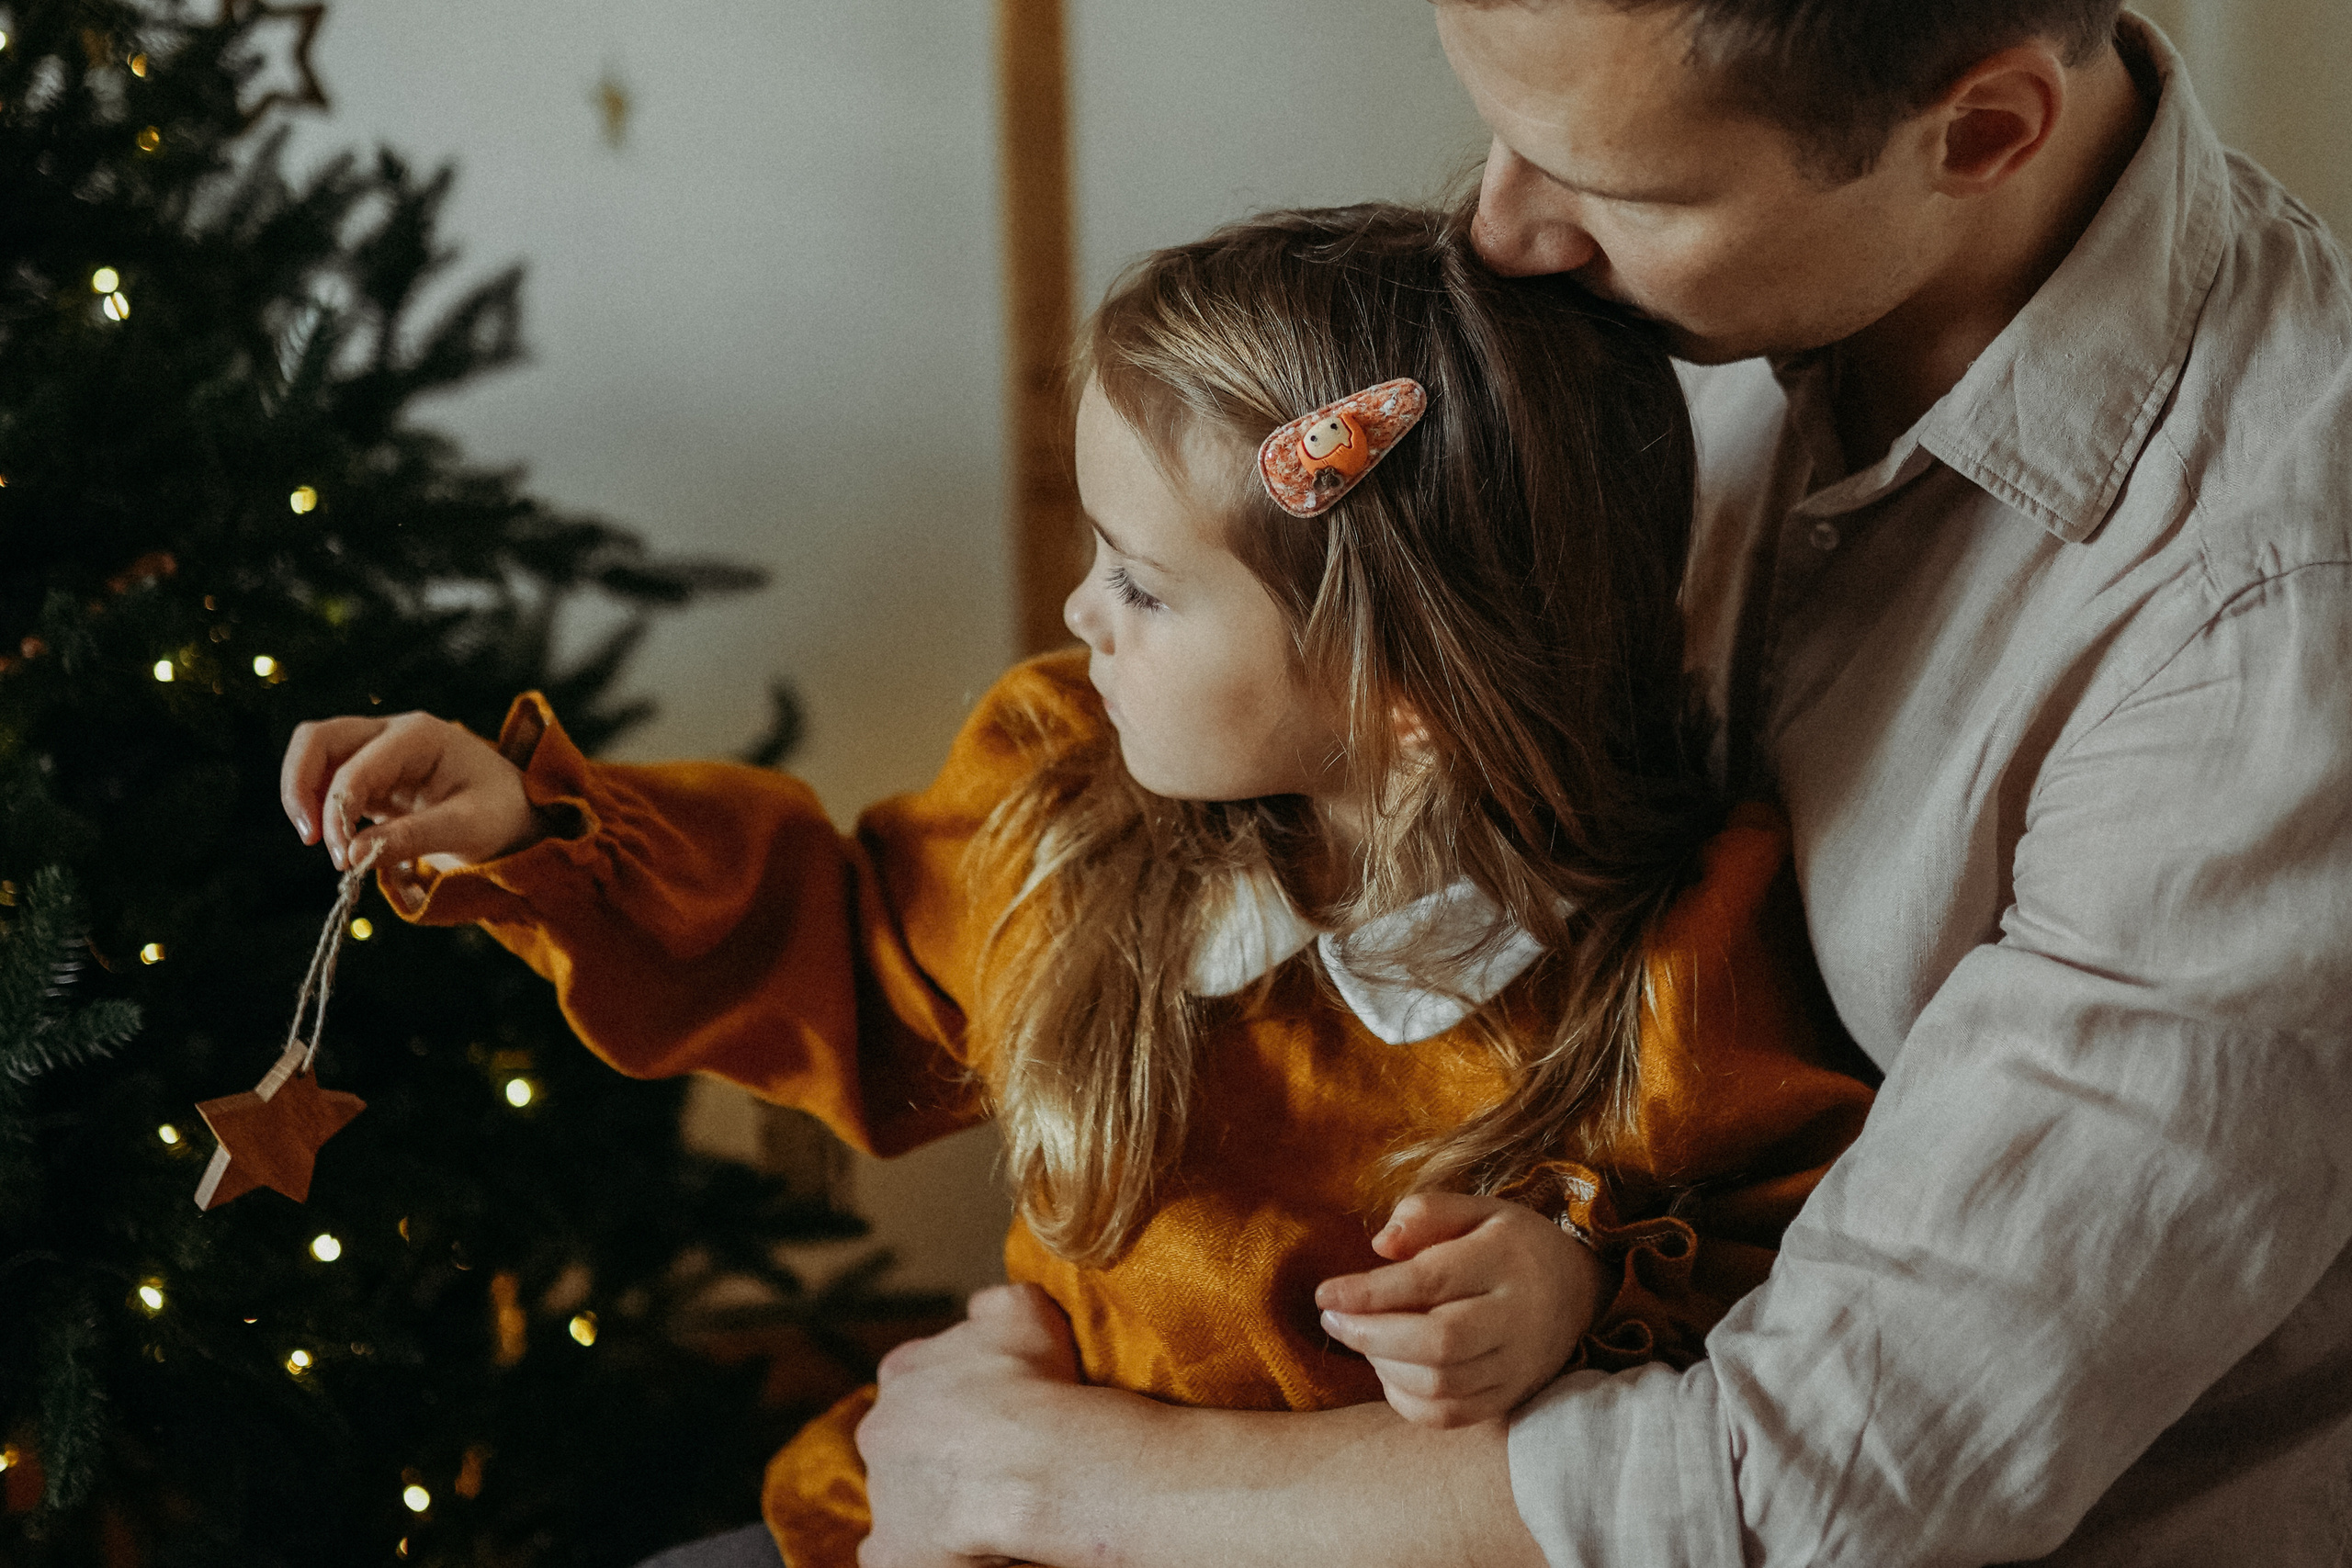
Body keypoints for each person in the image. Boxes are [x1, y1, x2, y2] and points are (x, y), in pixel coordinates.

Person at [842, 4, 2352, 1566]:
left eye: (1617, 189)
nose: (1497, 235)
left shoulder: (2271, 633)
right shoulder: (1693, 305)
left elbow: (1826, 1483)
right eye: (1497, 131)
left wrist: (1047, 1482)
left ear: (1980, 135)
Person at [277, 207, 1874, 1563]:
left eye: (1144, 583)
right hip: (974, 1516)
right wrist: (537, 836)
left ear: (1405, 690)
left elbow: (1787, 1286)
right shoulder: (1065, 810)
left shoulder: (1670, 955)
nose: (1077, 608)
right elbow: (825, 936)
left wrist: (1576, 1280)